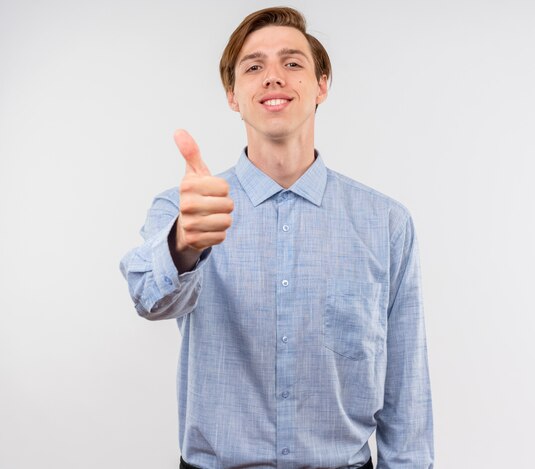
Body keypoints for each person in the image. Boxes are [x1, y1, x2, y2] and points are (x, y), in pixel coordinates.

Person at [120, 6, 433, 469]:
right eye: (253, 67)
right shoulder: (185, 210)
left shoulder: (386, 222)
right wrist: (184, 245)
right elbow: (149, 299)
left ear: (321, 85)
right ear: (232, 94)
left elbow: (405, 385)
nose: (273, 78)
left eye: (292, 63)